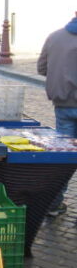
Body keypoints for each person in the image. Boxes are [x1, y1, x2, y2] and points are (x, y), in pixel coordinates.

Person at [37, 12, 77, 217]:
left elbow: (42, 68)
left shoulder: (54, 37)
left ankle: (54, 203)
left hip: (63, 104)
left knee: (64, 157)